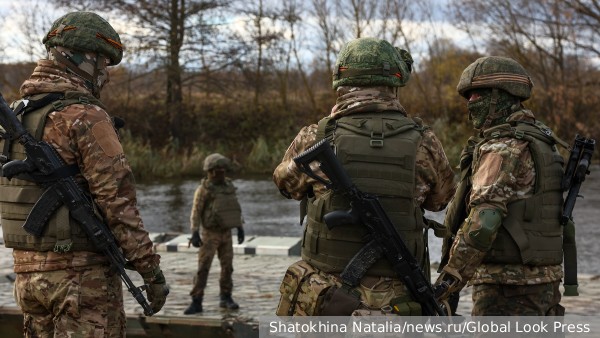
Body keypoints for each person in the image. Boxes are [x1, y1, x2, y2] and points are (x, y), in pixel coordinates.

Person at [0, 11, 168, 337]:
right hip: (80, 281)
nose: (105, 73)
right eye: (103, 63)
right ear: (83, 60)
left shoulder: (18, 116)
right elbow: (118, 202)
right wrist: (151, 272)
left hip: (28, 277)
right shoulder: (85, 115)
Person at [273, 37, 456, 316]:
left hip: (326, 297)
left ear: (341, 81)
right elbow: (440, 201)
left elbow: (286, 185)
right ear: (395, 83)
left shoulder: (317, 136)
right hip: (397, 302)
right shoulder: (424, 141)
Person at [433, 56, 566, 316]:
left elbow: (483, 222)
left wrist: (448, 282)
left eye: (477, 95)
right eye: (468, 96)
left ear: (500, 96)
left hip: (506, 288)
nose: (470, 102)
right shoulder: (541, 140)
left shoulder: (502, 147)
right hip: (545, 282)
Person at [184, 153, 245, 314]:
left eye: (223, 169)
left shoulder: (228, 187)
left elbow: (234, 208)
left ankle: (226, 297)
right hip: (209, 234)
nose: (221, 172)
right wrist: (195, 232)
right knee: (203, 268)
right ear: (210, 171)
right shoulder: (204, 190)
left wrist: (239, 227)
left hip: (226, 233)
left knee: (227, 267)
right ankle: (196, 300)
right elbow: (196, 212)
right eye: (218, 169)